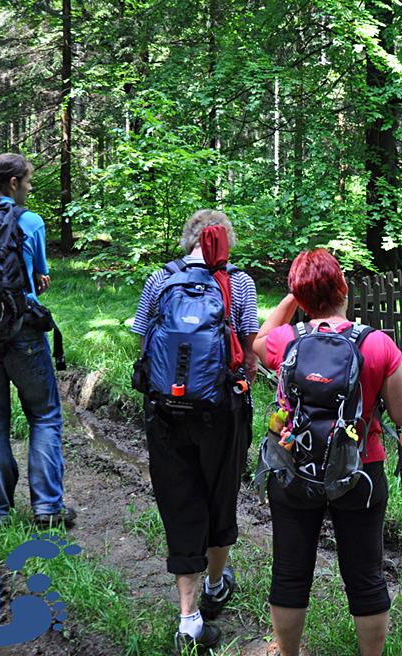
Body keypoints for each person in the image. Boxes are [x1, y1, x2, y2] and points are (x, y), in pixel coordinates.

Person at [254, 249, 402, 656]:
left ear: (301, 297)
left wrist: (295, 298)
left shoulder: (286, 340)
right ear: (344, 288)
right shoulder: (376, 344)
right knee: (365, 578)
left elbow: (257, 340)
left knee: (290, 574)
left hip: (295, 470)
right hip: (359, 473)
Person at [130, 209, 258, 654]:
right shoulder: (238, 283)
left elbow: (142, 338)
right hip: (220, 413)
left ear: (188, 240)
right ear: (225, 240)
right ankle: (217, 583)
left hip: (164, 412)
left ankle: (188, 619)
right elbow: (249, 351)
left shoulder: (159, 280)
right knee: (219, 495)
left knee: (181, 502)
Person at [0, 153, 74, 528]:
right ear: (12, 183)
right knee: (44, 416)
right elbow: (39, 274)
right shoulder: (30, 221)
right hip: (22, 331)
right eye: (27, 180)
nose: (29, 186)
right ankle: (47, 508)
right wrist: (35, 278)